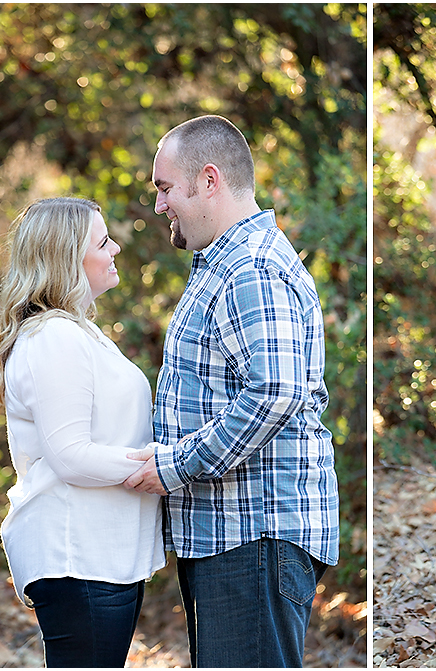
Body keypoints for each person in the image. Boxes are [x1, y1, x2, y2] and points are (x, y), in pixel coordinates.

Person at [122, 115, 339, 668]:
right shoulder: (223, 265)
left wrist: (175, 466)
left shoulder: (252, 268)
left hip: (253, 538)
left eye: (165, 188)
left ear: (209, 179)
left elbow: (275, 392)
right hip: (230, 536)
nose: (160, 205)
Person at [0, 197, 166, 667]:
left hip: (98, 554)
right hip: (76, 555)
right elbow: (71, 456)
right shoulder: (54, 338)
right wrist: (160, 465)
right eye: (103, 242)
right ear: (66, 257)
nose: (116, 249)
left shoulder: (76, 333)